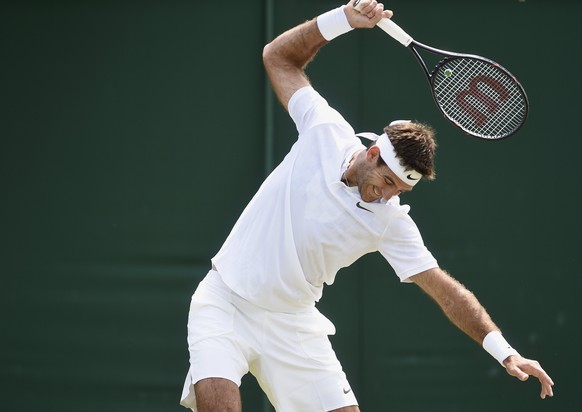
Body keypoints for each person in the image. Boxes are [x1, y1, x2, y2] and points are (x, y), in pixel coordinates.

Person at [180, 1, 555, 411]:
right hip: (225, 302)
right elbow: (279, 58)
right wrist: (341, 20)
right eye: (388, 182)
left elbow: (445, 292)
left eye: (400, 192)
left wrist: (505, 352)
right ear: (373, 153)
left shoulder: (390, 222)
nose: (390, 195)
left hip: (294, 323)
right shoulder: (323, 131)